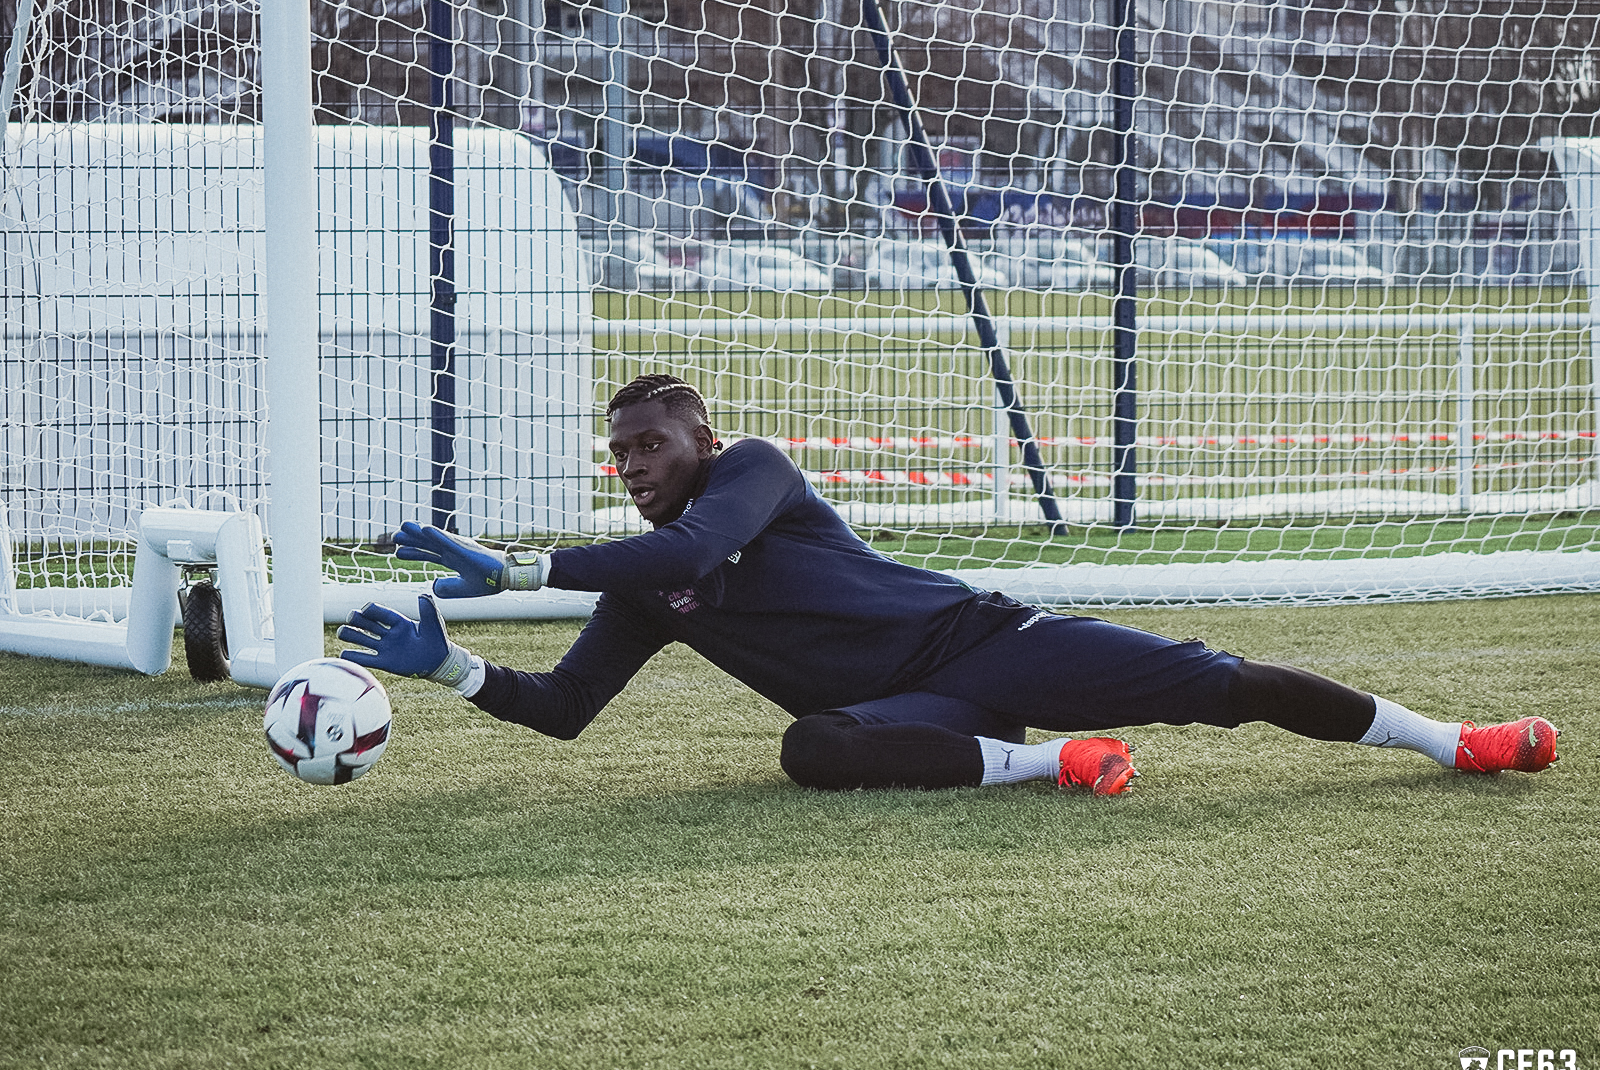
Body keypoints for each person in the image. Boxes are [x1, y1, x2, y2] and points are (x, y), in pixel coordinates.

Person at [337, 373, 1561, 793]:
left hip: (986, 644)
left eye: (649, 445)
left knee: (1221, 684)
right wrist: (447, 665)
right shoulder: (643, 585)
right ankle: (1050, 765)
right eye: (618, 457)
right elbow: (563, 709)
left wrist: (511, 567)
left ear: (703, 442)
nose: (632, 467)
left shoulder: (751, 474)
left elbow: (694, 551)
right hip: (922, 720)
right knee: (811, 751)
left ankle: (1452, 742)